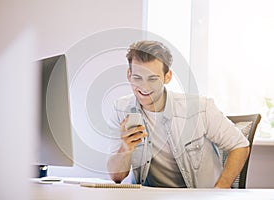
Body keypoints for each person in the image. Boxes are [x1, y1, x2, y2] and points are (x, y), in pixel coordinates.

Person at [106, 40, 250, 188]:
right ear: (129, 75)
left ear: (167, 77)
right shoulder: (121, 109)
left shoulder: (200, 108)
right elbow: (117, 177)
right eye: (138, 78)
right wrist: (125, 149)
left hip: (198, 198)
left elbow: (240, 146)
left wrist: (219, 191)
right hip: (148, 196)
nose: (144, 87)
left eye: (153, 79)